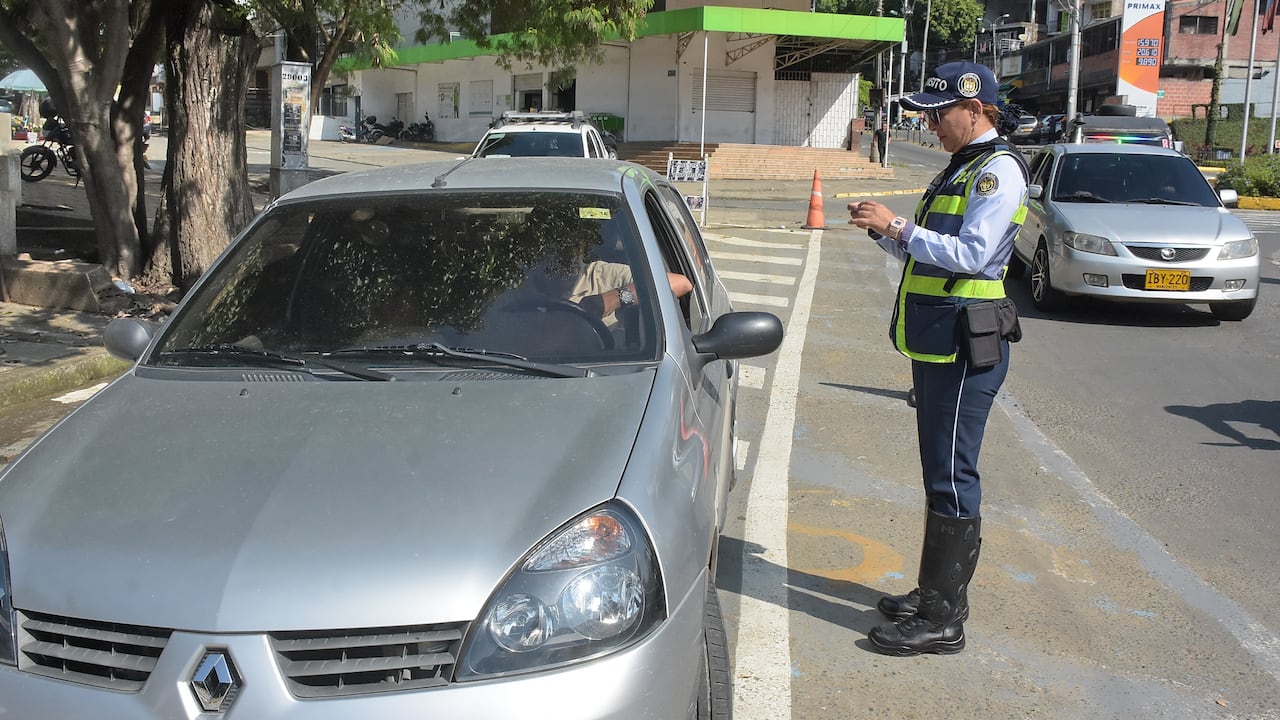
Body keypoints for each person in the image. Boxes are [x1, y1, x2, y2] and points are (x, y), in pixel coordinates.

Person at [847, 61, 1028, 657]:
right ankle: (934, 594)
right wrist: (888, 234)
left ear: (976, 110)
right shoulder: (961, 168)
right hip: (939, 341)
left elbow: (974, 256)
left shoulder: (995, 172)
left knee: (952, 476)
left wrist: (898, 226)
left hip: (964, 344)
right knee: (938, 473)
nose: (932, 123)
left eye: (940, 113)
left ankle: (944, 619)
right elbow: (934, 259)